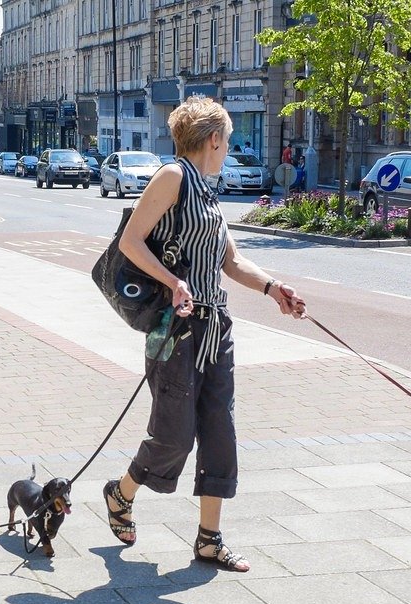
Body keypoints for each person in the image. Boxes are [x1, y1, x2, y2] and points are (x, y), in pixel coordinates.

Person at [103, 95, 307, 573]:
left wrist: (274, 289)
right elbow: (131, 243)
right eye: (227, 141)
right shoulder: (173, 177)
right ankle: (120, 492)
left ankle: (209, 539)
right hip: (175, 329)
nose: (228, 148)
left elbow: (230, 261)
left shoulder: (209, 192)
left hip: (216, 327)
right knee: (174, 435)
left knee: (220, 431)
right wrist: (175, 282)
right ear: (213, 139)